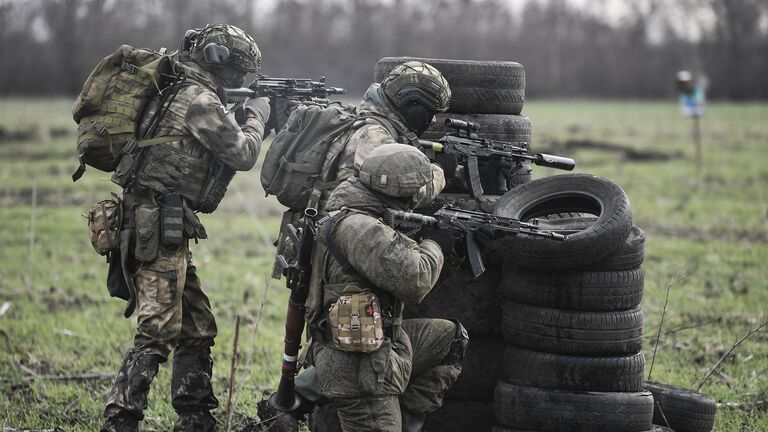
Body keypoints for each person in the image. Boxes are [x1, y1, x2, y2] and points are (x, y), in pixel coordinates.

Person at [101, 24, 270, 432]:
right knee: (157, 330)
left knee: (197, 325)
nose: (238, 81)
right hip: (156, 226)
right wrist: (258, 117)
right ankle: (119, 419)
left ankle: (195, 417)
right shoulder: (198, 99)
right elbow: (243, 153)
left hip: (160, 223)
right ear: (219, 64)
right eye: (237, 73)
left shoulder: (179, 87)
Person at [306, 143, 468, 432]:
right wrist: (436, 243)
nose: (416, 199)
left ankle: (402, 421)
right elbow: (416, 279)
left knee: (450, 339)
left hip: (379, 345)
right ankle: (308, 392)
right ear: (396, 193)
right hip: (361, 373)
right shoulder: (362, 229)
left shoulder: (356, 205)